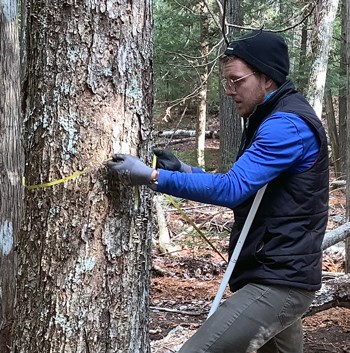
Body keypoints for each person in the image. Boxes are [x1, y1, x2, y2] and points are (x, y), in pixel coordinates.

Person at [108, 30, 329, 353]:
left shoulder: (286, 126)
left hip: (278, 284)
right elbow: (247, 184)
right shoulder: (269, 117)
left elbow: (232, 189)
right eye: (227, 82)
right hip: (275, 276)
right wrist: (183, 171)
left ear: (266, 79)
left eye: (237, 81)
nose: (229, 91)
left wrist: (154, 176)